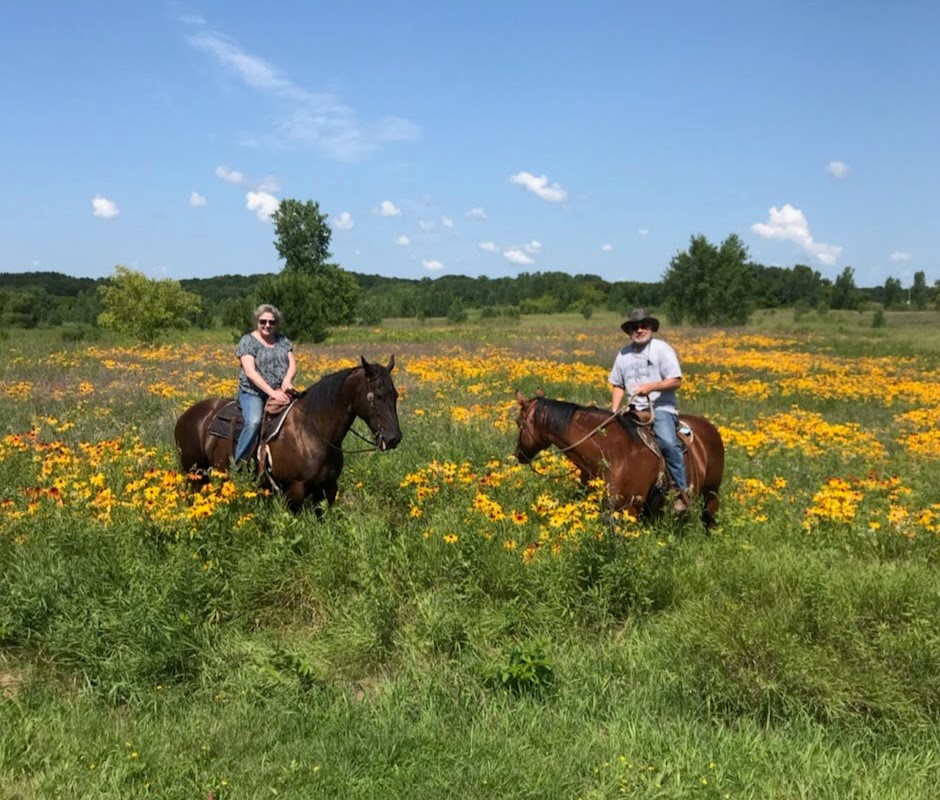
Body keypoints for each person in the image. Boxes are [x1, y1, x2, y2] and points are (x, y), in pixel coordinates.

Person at [609, 308, 690, 513]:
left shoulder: (662, 349)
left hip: (661, 407)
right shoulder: (623, 354)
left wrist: (650, 387)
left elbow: (676, 380)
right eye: (635, 327)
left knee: (668, 442)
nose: (639, 330)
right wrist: (614, 410)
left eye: (643, 325)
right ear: (630, 331)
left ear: (651, 327)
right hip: (633, 409)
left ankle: (681, 492)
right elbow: (618, 384)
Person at [233, 304, 297, 467]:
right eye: (263, 321)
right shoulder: (248, 341)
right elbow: (250, 372)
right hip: (253, 393)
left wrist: (287, 380)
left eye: (271, 322)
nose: (267, 325)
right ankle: (238, 465)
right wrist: (272, 392)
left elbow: (292, 364)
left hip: (282, 391)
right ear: (257, 321)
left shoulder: (282, 340)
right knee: (254, 422)